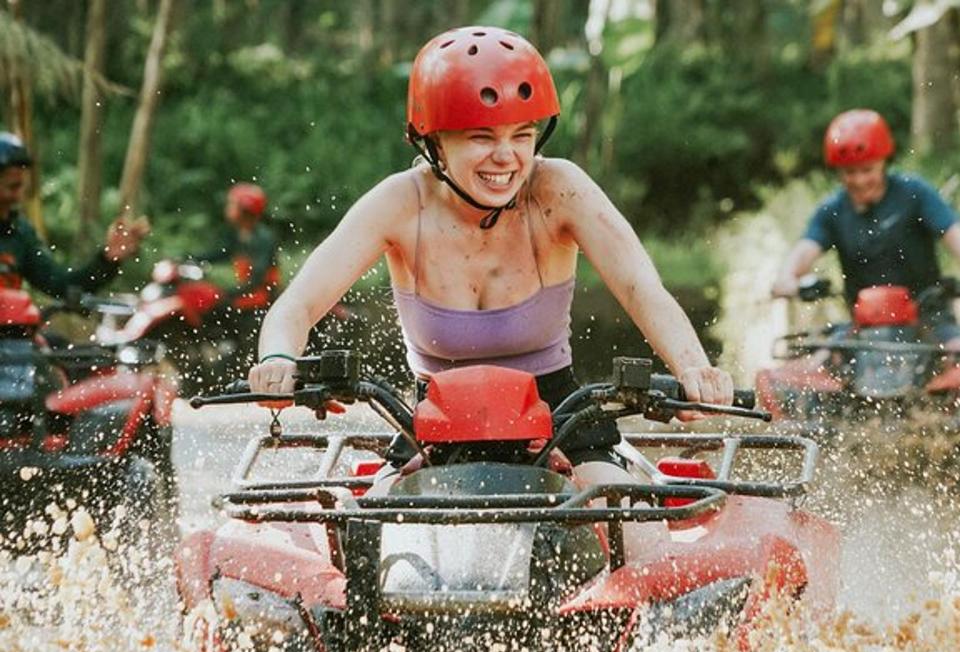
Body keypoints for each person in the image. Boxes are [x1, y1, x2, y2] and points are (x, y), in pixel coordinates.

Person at [249, 27, 732, 492]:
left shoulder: (558, 188)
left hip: (561, 411)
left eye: (522, 135)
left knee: (620, 511)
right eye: (482, 137)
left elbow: (639, 287)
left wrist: (693, 369)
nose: (507, 158)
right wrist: (277, 360)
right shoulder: (400, 203)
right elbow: (298, 306)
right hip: (437, 423)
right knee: (367, 531)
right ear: (434, 143)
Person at [770, 109, 960, 343]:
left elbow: (952, 230)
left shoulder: (914, 193)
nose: (859, 180)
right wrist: (787, 277)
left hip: (928, 319)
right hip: (864, 325)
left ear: (883, 163)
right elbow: (807, 247)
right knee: (818, 362)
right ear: (838, 171)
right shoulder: (832, 210)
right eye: (850, 172)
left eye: (867, 170)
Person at [0, 132, 149, 297]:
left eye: (20, 186)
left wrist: (108, 258)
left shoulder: (20, 234)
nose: (18, 196)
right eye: (12, 187)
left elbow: (62, 285)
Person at [188, 182, 279, 311]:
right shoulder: (237, 234)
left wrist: (229, 293)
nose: (228, 208)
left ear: (245, 209)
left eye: (232, 204)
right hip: (246, 293)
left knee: (216, 310)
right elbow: (220, 253)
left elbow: (257, 277)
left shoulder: (263, 238)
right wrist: (190, 258)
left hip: (261, 299)